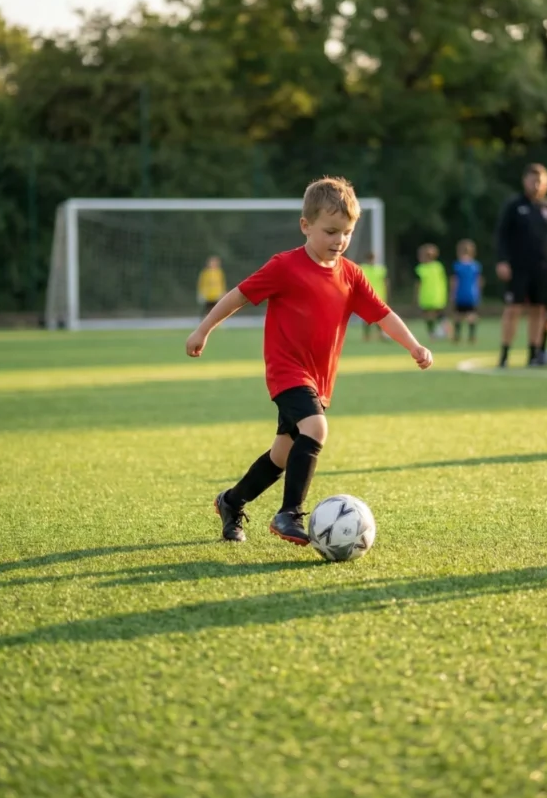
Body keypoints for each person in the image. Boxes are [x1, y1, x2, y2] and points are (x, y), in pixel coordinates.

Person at [185, 177, 433, 545]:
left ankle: (231, 501)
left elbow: (383, 315)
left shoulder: (351, 274)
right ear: (306, 226)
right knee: (316, 430)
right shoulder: (284, 266)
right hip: (287, 371)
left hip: (319, 380)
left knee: (281, 455)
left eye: (347, 233)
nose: (340, 241)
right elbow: (237, 296)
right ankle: (289, 513)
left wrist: (413, 346)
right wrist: (203, 330)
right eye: (331, 231)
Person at [495, 163, 547, 368]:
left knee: (539, 309)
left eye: (540, 181)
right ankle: (505, 353)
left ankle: (534, 353)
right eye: (533, 180)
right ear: (525, 181)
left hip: (542, 267)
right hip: (518, 267)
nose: (536, 184)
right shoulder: (514, 206)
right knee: (513, 309)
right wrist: (503, 261)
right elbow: (502, 236)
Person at [450, 240, 482, 343]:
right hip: (472, 294)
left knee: (458, 315)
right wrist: (478, 292)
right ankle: (472, 336)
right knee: (472, 314)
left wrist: (452, 293)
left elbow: (455, 281)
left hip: (460, 294)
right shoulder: (475, 266)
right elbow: (478, 281)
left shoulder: (457, 266)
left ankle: (457, 336)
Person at [415, 244, 448, 339]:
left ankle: (434, 332)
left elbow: (418, 284)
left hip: (429, 296)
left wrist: (416, 296)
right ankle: (440, 329)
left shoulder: (422, 268)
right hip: (434, 295)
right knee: (435, 313)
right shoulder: (438, 267)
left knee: (429, 314)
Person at [359, 252, 389, 340]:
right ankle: (367, 335)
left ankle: (380, 334)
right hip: (366, 296)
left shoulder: (380, 269)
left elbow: (385, 282)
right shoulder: (362, 268)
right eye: (370, 258)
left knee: (379, 316)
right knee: (367, 316)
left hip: (378, 295)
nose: (372, 260)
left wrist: (386, 294)